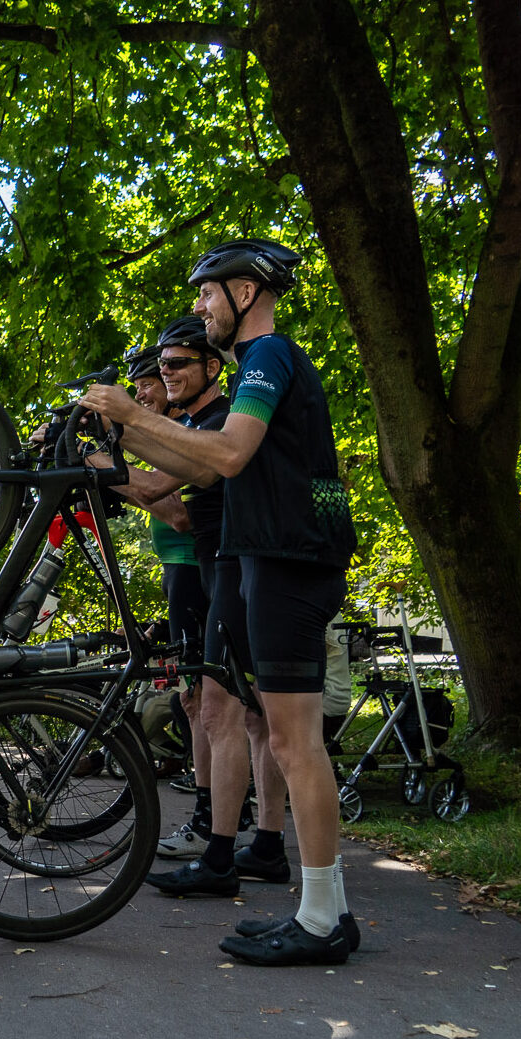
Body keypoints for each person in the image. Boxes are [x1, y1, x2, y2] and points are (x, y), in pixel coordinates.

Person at [80, 240, 359, 965]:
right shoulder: (253, 368)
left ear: (244, 291)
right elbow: (188, 469)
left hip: (289, 561)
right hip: (271, 560)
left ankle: (326, 919)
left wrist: (130, 420)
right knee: (283, 736)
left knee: (296, 742)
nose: (199, 306)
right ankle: (316, 906)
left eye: (207, 293)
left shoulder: (267, 358)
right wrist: (119, 437)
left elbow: (227, 456)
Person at [107, 317, 290, 898]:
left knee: (219, 711)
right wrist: (112, 440)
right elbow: (160, 470)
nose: (166, 376)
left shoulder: (217, 419)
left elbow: (166, 490)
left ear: (213, 367)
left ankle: (219, 854)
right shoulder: (195, 421)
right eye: (162, 367)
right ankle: (264, 845)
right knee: (250, 716)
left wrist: (102, 455)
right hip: (223, 567)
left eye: (178, 365)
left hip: (231, 568)